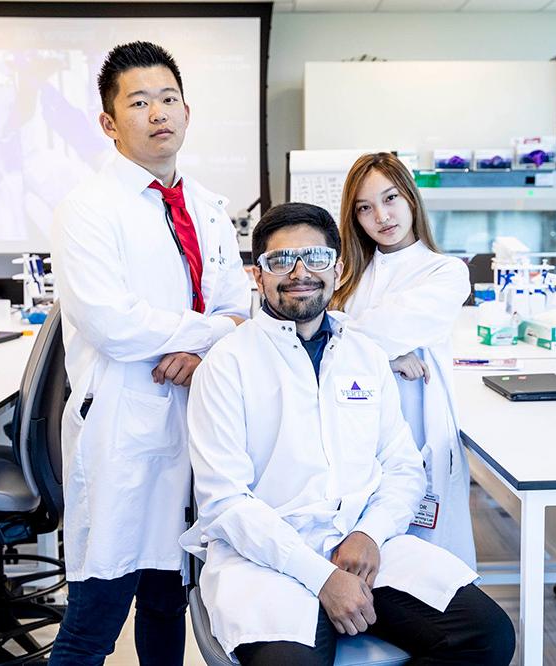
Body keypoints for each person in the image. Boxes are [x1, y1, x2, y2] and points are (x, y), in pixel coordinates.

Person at [182, 203, 515, 666]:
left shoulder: (365, 354)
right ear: (257, 277)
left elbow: (401, 466)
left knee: (487, 636)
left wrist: (370, 534)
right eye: (281, 262)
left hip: (363, 548)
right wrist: (320, 577)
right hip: (266, 559)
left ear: (337, 269)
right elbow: (225, 502)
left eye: (316, 258)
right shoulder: (227, 364)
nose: (300, 272)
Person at [49, 41, 251, 665]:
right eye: (139, 102)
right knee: (96, 615)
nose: (158, 112)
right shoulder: (88, 209)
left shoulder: (208, 209)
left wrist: (202, 347)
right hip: (124, 430)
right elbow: (113, 324)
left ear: (187, 111)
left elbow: (239, 308)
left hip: (198, 427)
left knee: (169, 606)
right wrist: (208, 331)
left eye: (168, 99)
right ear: (110, 123)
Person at [330, 152, 476, 568]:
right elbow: (318, 336)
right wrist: (387, 356)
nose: (382, 215)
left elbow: (352, 331)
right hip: (355, 435)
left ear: (411, 198)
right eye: (365, 207)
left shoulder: (445, 272)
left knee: (428, 568)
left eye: (390, 198)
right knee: (359, 557)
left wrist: (361, 339)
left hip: (419, 435)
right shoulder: (347, 278)